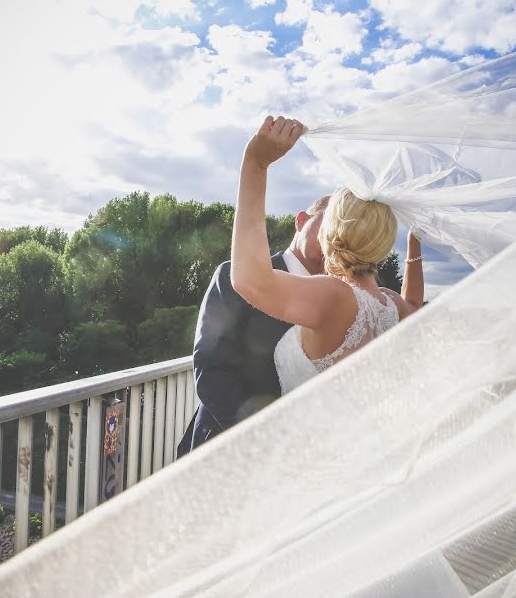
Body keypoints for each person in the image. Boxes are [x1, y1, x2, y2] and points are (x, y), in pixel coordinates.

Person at [232, 116, 424, 395]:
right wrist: (414, 240)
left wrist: (255, 164)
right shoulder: (390, 304)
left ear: (329, 232)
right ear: (383, 243)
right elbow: (415, 304)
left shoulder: (335, 296)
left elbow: (251, 281)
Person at [176, 192, 331, 457]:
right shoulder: (235, 276)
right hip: (227, 451)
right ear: (302, 220)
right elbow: (211, 370)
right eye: (329, 224)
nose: (334, 237)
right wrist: (269, 444)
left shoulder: (337, 302)